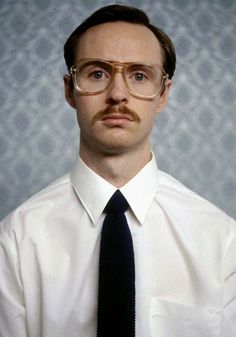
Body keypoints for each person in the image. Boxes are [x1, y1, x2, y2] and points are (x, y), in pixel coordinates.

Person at [0, 4, 235, 337]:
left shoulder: (222, 241)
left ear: (163, 94)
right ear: (70, 90)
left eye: (139, 75)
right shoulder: (14, 242)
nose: (118, 94)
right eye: (97, 73)